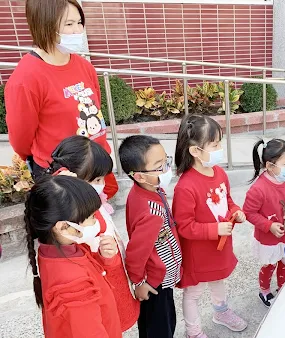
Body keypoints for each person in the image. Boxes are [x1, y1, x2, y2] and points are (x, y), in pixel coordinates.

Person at [4, 0, 118, 198]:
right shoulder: (26, 78)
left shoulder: (83, 65)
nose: (77, 30)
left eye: (79, 22)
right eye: (68, 24)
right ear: (45, 24)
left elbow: (95, 106)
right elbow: (21, 138)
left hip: (96, 163)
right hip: (62, 175)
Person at [47, 135, 139, 332]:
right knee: (109, 326)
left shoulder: (87, 205)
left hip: (113, 278)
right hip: (104, 288)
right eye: (96, 179)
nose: (102, 184)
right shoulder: (73, 217)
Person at [172, 114, 248, 338]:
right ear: (195, 151)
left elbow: (228, 201)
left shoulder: (220, 173)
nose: (219, 149)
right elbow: (184, 226)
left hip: (220, 246)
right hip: (199, 252)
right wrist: (213, 230)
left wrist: (236, 211)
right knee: (193, 293)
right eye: (214, 145)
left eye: (219, 144)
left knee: (218, 279)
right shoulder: (185, 187)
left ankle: (221, 311)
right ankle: (193, 331)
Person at [23, 175, 123, 338]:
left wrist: (107, 258)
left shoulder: (57, 249)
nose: (96, 222)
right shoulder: (72, 283)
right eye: (91, 217)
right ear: (63, 227)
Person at [119, 135, 183, 338]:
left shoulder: (146, 190)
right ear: (139, 176)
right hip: (155, 282)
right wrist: (139, 282)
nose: (166, 169)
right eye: (159, 166)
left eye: (166, 161)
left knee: (152, 324)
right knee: (161, 327)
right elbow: (136, 252)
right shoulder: (151, 212)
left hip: (157, 278)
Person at [243, 138, 285, 307]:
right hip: (269, 239)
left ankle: (283, 288)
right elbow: (249, 213)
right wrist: (268, 226)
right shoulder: (258, 189)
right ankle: (264, 291)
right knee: (269, 265)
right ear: (270, 166)